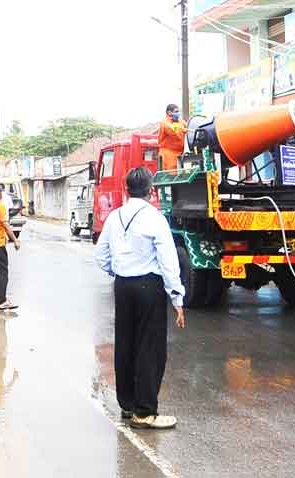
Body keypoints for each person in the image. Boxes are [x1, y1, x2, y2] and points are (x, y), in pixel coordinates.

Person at [95, 166, 186, 430]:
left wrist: (118, 271)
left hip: (122, 286)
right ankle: (145, 412)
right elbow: (168, 261)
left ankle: (128, 404)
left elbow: (101, 256)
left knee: (125, 343)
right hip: (148, 287)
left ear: (126, 189)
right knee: (150, 347)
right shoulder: (155, 218)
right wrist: (177, 298)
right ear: (151, 191)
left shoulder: (114, 217)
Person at [157, 103, 187, 171]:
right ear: (169, 112)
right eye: (176, 111)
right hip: (168, 154)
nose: (178, 113)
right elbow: (172, 130)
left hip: (180, 153)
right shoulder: (164, 122)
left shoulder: (180, 121)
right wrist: (183, 129)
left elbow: (187, 126)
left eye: (179, 111)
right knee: (171, 176)